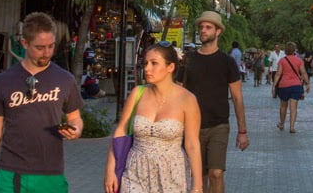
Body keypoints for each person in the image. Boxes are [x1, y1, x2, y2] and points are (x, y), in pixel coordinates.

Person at [0, 12, 84, 193]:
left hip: (51, 174)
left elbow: (75, 117)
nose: (47, 53)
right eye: (40, 48)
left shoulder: (65, 79)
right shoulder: (4, 81)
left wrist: (76, 129)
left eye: (51, 46)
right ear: (24, 43)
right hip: (11, 174)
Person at [104, 42, 202, 193]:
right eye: (145, 63)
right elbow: (120, 132)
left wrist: (197, 186)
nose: (147, 68)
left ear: (171, 67)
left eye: (154, 63)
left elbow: (192, 144)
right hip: (135, 170)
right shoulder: (138, 93)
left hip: (171, 173)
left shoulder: (187, 99)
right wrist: (110, 171)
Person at [182, 11, 249, 193]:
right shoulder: (189, 60)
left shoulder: (227, 62)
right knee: (199, 175)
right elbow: (179, 93)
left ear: (218, 32)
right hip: (192, 127)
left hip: (218, 125)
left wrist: (242, 131)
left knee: (216, 173)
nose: (203, 30)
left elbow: (237, 97)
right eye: (201, 27)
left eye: (208, 27)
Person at [272, 42, 310, 133]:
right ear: (294, 50)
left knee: (283, 106)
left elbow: (278, 74)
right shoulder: (299, 60)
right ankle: (292, 127)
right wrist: (307, 83)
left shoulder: (282, 61)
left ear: (285, 50)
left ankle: (282, 124)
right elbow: (304, 73)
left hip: (284, 85)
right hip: (296, 86)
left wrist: (274, 86)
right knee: (294, 107)